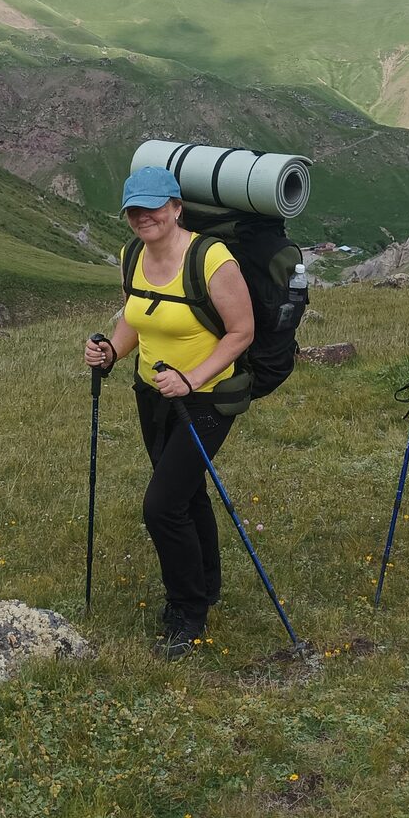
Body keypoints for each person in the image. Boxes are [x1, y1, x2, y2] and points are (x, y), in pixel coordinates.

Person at [83, 166, 254, 659]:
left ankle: (188, 611)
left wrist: (193, 378)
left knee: (161, 505)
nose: (144, 217)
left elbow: (241, 332)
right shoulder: (130, 254)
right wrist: (111, 352)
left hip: (206, 398)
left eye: (155, 207)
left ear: (177, 207)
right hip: (151, 392)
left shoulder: (211, 258)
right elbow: (136, 318)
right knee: (184, 493)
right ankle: (208, 582)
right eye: (134, 209)